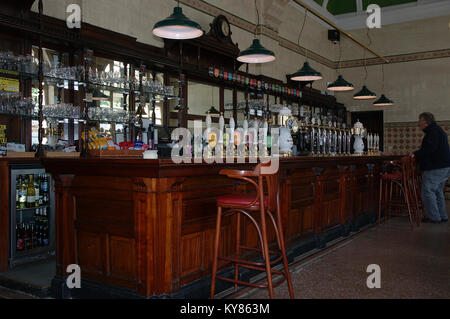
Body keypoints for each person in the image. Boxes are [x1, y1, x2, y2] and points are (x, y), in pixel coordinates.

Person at [412, 112, 450, 223]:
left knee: (427, 191)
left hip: (436, 167)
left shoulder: (433, 132)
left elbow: (430, 148)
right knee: (438, 192)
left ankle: (434, 217)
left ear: (425, 122)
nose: (418, 123)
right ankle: (442, 216)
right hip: (444, 166)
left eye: (419, 121)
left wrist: (416, 154)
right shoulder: (436, 130)